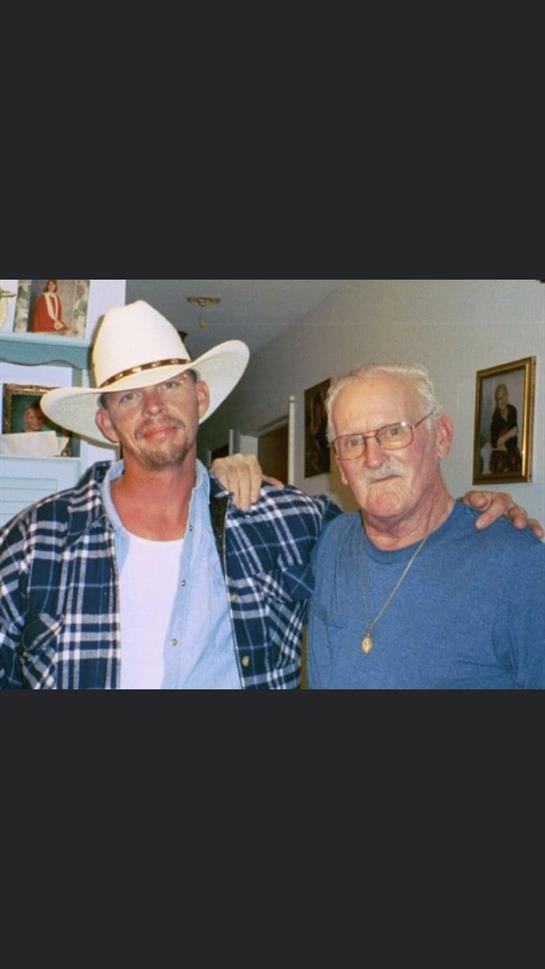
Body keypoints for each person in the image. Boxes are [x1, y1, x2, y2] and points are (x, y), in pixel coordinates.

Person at [0, 304, 539, 690]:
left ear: (201, 396)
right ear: (105, 421)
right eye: (128, 397)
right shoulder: (34, 541)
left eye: (170, 385)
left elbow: (404, 522)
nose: (154, 408)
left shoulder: (286, 523)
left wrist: (485, 507)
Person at [307, 363, 545, 689]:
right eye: (352, 442)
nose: (373, 459)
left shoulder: (517, 562)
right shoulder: (330, 542)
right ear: (341, 469)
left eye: (394, 432)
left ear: (441, 438)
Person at [489, 382, 522, 474]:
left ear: (507, 395)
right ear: (496, 400)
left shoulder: (512, 410)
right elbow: (495, 443)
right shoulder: (496, 416)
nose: (502, 399)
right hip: (500, 457)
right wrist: (509, 434)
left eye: (504, 395)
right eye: (499, 397)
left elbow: (515, 432)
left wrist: (504, 438)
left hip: (513, 453)